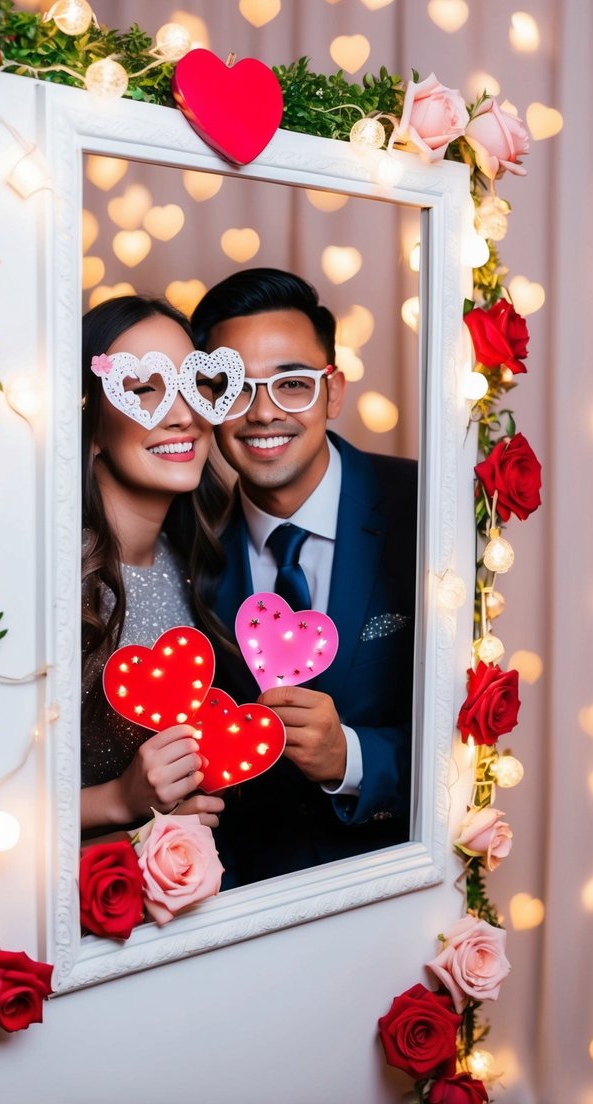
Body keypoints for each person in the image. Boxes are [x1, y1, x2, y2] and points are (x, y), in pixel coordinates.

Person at [190, 267, 417, 884]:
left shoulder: (424, 508)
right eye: (235, 388)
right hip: (236, 901)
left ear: (333, 391)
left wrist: (352, 758)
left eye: (292, 383)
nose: (263, 413)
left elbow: (474, 738)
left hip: (392, 889)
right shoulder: (186, 545)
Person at [80, 294, 233, 839]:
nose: (184, 416)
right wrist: (120, 800)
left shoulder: (194, 559)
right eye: (144, 389)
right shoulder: (60, 582)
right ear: (92, 425)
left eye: (197, 386)